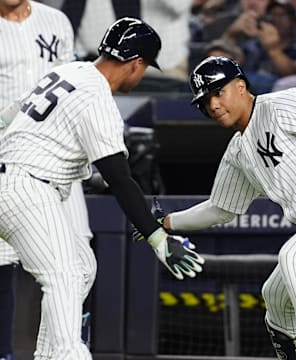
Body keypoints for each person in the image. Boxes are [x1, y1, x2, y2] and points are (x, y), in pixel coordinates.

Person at [0, 17, 204, 360]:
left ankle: (49, 354)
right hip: (27, 188)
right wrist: (157, 238)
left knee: (81, 268)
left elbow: (8, 115)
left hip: (19, 181)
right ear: (136, 64)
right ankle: (67, 352)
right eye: (143, 68)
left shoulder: (68, 71)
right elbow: (119, 177)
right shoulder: (96, 94)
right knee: (63, 276)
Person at [153, 56, 296, 359]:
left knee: (295, 257)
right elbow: (219, 209)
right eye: (205, 100)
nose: (212, 105)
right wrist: (166, 222)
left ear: (240, 86)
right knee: (275, 299)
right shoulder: (237, 151)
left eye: (217, 93)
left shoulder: (282, 104)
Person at [0, 1, 94, 359]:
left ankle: (59, 352)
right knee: (2, 260)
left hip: (57, 162)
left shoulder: (55, 21)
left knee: (80, 265)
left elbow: (72, 87)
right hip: (5, 159)